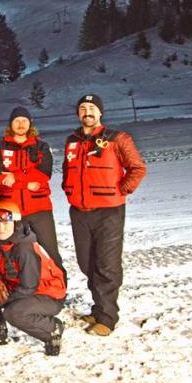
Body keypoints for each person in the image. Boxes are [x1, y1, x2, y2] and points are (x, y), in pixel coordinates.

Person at [62, 94, 146, 336]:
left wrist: (121, 189)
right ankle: (99, 308)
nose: (87, 112)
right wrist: (68, 189)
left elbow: (137, 168)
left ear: (100, 113)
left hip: (109, 212)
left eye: (91, 108)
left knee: (107, 265)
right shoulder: (72, 140)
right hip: (79, 211)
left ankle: (107, 318)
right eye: (82, 108)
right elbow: (68, 170)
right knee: (87, 263)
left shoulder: (117, 139)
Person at [0, 201, 66, 355]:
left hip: (46, 295)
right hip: (19, 287)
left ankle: (52, 329)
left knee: (13, 313)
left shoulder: (24, 248)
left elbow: (29, 287)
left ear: (15, 223)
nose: (0, 228)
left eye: (6, 222)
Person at [0, 106, 65, 278]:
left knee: (49, 250)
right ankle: (18, 289)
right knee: (14, 253)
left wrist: (14, 177)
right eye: (17, 121)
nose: (21, 124)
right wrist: (26, 183)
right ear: (11, 124)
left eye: (24, 120)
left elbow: (43, 173)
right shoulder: (0, 147)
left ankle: (59, 287)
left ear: (30, 123)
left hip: (40, 209)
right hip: (12, 211)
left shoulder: (41, 147)